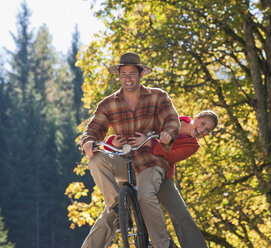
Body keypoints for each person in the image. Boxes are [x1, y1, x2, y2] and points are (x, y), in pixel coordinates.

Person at [81, 52, 181, 248]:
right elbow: (93, 129)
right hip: (123, 159)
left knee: (145, 197)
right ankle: (119, 210)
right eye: (124, 73)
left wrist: (167, 133)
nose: (128, 78)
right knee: (97, 160)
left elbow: (171, 120)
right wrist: (88, 142)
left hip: (151, 160)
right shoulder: (108, 103)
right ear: (118, 76)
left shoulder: (158, 96)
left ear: (140, 74)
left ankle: (162, 245)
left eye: (132, 74)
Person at [82, 110, 219, 248]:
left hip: (160, 176)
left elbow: (171, 156)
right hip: (131, 166)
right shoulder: (168, 120)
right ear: (195, 118)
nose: (202, 130)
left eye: (207, 130)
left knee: (181, 214)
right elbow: (133, 131)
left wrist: (150, 144)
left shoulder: (193, 145)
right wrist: (113, 142)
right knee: (111, 215)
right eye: (202, 124)